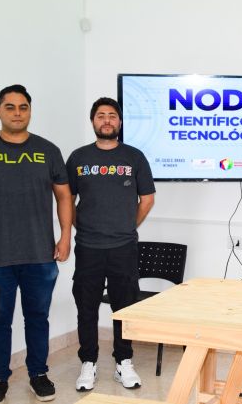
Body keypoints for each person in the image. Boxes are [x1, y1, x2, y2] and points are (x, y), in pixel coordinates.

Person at [0, 84, 72, 403]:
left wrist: (66, 236)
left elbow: (64, 195)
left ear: (30, 111)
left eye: (23, 107)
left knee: (37, 317)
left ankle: (38, 374)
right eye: (10, 107)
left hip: (41, 255)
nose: (17, 113)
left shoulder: (48, 150)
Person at [66, 97, 155, 392]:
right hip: (88, 247)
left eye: (112, 115)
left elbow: (147, 199)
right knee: (87, 307)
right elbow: (67, 200)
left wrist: (127, 226)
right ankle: (88, 362)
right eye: (101, 115)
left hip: (123, 248)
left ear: (120, 121)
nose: (107, 120)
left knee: (124, 308)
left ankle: (123, 362)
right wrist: (82, 227)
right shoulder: (78, 158)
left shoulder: (134, 157)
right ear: (93, 121)